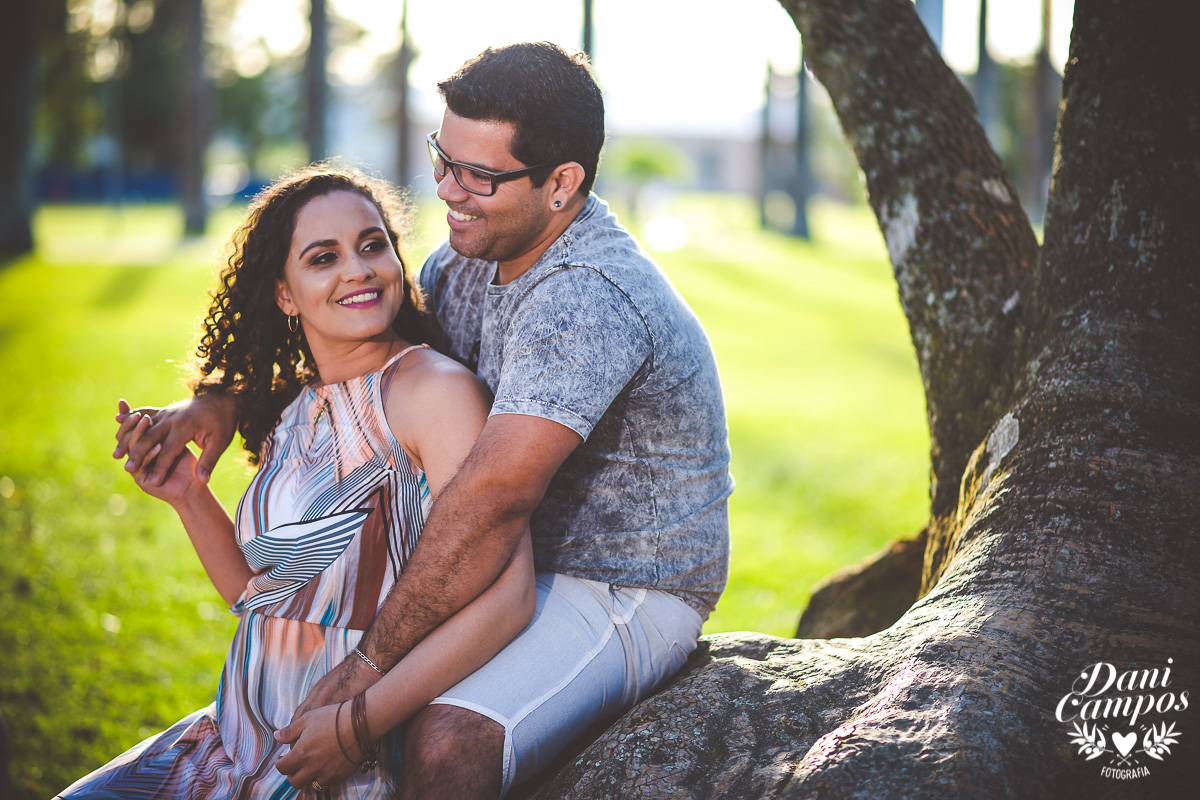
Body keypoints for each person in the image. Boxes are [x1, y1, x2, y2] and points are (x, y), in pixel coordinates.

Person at [118, 42, 734, 798]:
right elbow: (356, 352)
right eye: (444, 158)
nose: (446, 190)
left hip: (620, 584)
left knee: (442, 737)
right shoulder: (470, 257)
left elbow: (492, 500)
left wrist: (363, 680)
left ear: (562, 183)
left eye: (478, 175)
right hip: (514, 557)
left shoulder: (587, 294)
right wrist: (217, 401)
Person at [59, 165, 536, 798]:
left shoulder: (433, 393)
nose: (358, 270)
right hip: (237, 737)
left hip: (343, 757)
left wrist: (358, 725)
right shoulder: (297, 405)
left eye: (372, 246)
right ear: (285, 294)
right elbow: (262, 596)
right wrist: (187, 495)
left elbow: (510, 596)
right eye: (323, 258)